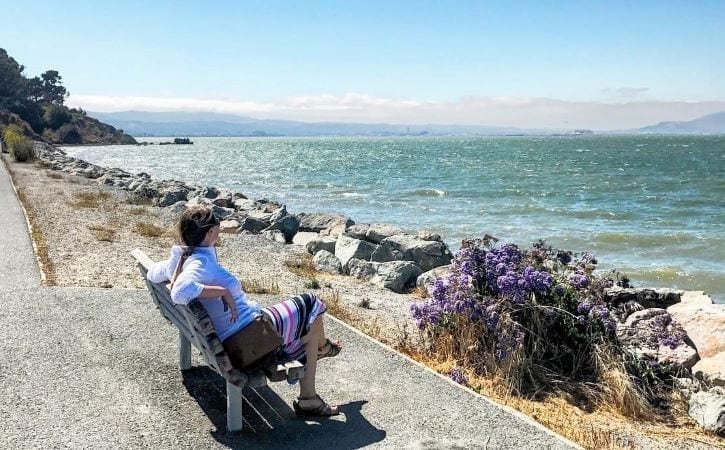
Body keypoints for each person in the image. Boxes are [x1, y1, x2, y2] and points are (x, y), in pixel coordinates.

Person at [147, 205, 342, 416]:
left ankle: (320, 355)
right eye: (217, 227)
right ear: (210, 232)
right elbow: (179, 292)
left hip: (234, 333)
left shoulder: (184, 258)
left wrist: (175, 266)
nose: (219, 230)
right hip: (249, 337)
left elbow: (152, 274)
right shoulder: (201, 263)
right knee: (312, 304)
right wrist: (222, 291)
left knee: (309, 320)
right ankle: (313, 383)